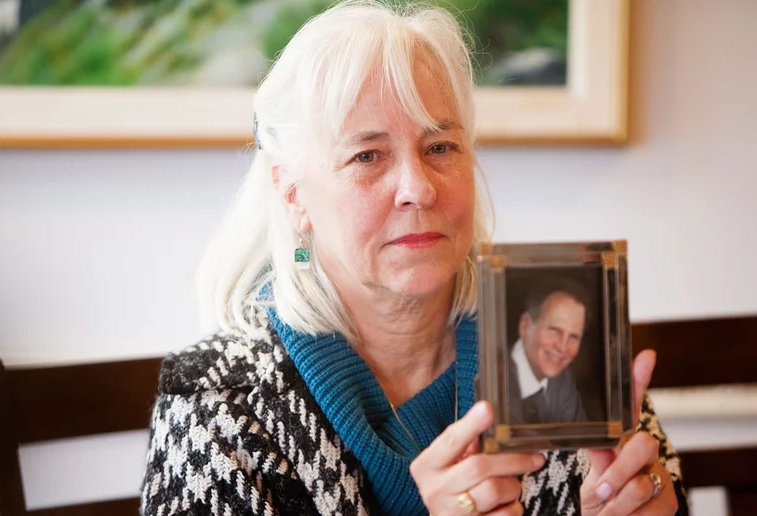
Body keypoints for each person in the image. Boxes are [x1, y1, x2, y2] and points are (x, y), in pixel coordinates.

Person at [140, 1, 685, 515]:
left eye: (440, 148)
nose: (417, 189)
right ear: (292, 193)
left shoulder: (569, 343)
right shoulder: (219, 402)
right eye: (367, 155)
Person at [509, 282, 589, 424]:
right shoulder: (493, 377)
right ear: (525, 326)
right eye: (555, 330)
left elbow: (578, 443)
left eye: (573, 337)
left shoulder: (563, 379)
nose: (562, 347)